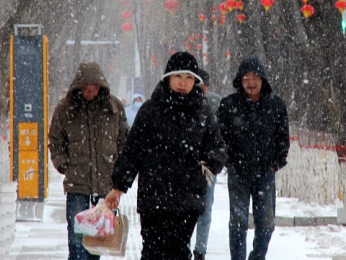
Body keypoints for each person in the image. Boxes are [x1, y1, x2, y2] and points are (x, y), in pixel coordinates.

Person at [105, 52, 227, 259]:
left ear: (195, 82)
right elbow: (133, 151)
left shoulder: (202, 112)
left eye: (189, 77)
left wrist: (206, 166)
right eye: (178, 76)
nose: (183, 82)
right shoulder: (150, 111)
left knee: (179, 251)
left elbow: (218, 148)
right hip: (154, 198)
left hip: (188, 199)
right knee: (153, 251)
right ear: (168, 78)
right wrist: (118, 187)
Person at [48, 61, 128, 260]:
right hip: (77, 185)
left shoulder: (114, 108)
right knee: (76, 238)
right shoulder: (66, 108)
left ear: (100, 88)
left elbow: (124, 141)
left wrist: (117, 171)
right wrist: (64, 164)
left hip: (105, 188)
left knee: (98, 242)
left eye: (92, 89)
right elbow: (55, 139)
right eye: (84, 89)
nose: (88, 93)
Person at [217, 57, 290, 260]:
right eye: (246, 77)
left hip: (265, 173)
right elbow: (220, 137)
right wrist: (229, 161)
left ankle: (257, 257)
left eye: (255, 77)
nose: (251, 82)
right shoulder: (229, 104)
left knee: (266, 223)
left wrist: (275, 164)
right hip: (238, 172)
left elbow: (282, 137)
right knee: (238, 222)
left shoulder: (275, 104)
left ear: (263, 79)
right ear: (239, 81)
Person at [191, 68, 222, 260]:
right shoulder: (183, 102)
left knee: (206, 209)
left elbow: (222, 134)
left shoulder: (216, 103)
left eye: (204, 86)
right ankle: (184, 247)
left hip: (208, 167)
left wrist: (216, 159)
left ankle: (200, 250)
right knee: (186, 210)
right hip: (187, 165)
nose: (201, 89)